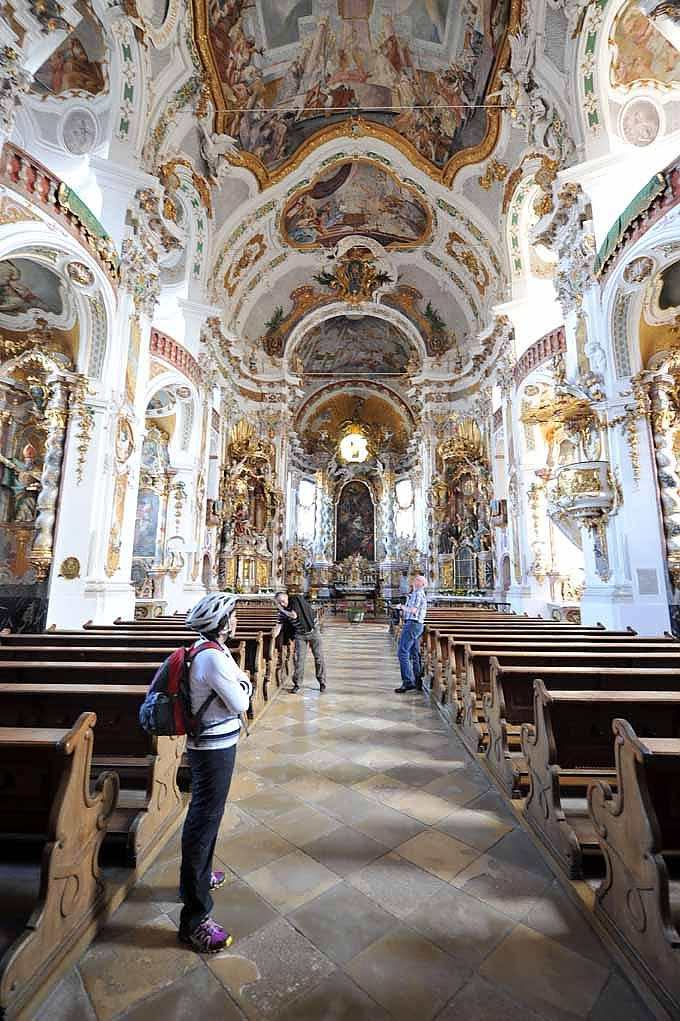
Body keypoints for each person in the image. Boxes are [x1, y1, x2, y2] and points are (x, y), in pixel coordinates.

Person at [178, 592, 252, 954]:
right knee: (203, 822)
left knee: (208, 817)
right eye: (233, 616)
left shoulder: (207, 650)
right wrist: (246, 685)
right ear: (222, 623)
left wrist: (241, 684)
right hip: (212, 748)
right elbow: (241, 700)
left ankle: (202, 877)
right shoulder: (211, 657)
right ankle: (195, 917)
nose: (236, 620)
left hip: (213, 743)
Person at [274, 590, 326, 693]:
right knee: (299, 659)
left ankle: (322, 682)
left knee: (319, 657)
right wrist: (273, 638)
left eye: (282, 601)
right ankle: (297, 684)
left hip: (313, 631)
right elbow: (278, 625)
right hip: (300, 635)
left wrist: (281, 609)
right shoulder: (282, 611)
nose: (281, 604)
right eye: (279, 602)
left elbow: (294, 615)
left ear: (286, 597)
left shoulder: (295, 600)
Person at [395, 573, 427, 693]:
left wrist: (401, 607)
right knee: (415, 653)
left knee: (402, 652)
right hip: (415, 625)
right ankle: (418, 681)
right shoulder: (416, 594)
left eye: (417, 580)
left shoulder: (418, 594)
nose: (414, 581)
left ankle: (407, 682)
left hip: (413, 625)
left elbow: (413, 610)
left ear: (421, 584)